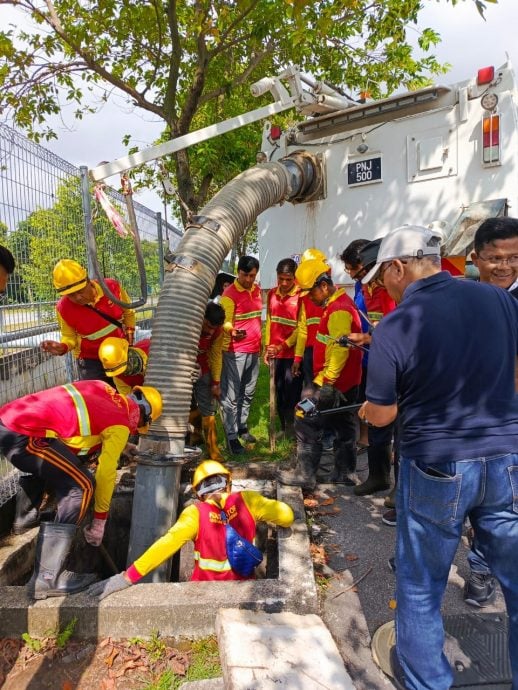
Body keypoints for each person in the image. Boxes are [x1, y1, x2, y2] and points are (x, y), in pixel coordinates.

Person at [358, 224, 518, 690]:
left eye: (381, 278)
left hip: (436, 465)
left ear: (396, 267)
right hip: (505, 458)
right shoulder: (501, 301)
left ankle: (428, 684)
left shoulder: (396, 324)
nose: (382, 288)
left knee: (421, 588)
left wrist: (372, 409)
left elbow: (384, 416)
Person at [0, 380, 163, 599]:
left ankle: (25, 518)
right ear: (142, 416)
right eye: (140, 426)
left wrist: (120, 446)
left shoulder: (102, 388)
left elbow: (80, 430)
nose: (134, 430)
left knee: (66, 467)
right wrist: (99, 521)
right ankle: (47, 579)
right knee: (82, 486)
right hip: (25, 436)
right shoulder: (122, 423)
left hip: (12, 419)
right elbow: (106, 474)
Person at [87, 460, 295, 597]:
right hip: (242, 588)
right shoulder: (248, 501)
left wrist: (126, 577)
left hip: (204, 590)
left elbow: (165, 545)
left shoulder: (195, 514)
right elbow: (286, 516)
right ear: (228, 484)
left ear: (198, 493)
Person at [460, 215, 518, 607]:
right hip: (462, 421)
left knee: (505, 506)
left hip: (509, 424)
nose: (505, 266)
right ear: (476, 258)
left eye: (514, 258)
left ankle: (482, 571)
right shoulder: (461, 301)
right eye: (495, 258)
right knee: (465, 499)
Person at [279, 259, 362, 490]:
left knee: (304, 416)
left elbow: (340, 349)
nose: (308, 297)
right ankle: (345, 473)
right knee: (344, 424)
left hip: (332, 383)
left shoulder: (338, 310)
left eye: (310, 292)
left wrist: (327, 383)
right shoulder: (339, 304)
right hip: (345, 382)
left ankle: (305, 476)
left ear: (324, 286)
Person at [345, 239, 398, 506]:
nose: (354, 276)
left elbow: (398, 333)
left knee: (400, 428)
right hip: (376, 362)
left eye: (355, 270)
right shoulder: (366, 289)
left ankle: (401, 489)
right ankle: (378, 476)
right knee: (377, 421)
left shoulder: (393, 289)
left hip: (397, 366)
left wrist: (366, 338)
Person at [41, 259, 136, 383]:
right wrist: (63, 347)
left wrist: (130, 341)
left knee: (127, 392)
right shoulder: (63, 308)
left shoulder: (111, 288)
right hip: (90, 362)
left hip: (119, 353)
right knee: (98, 398)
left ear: (88, 280)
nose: (78, 297)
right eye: (70, 295)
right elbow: (69, 336)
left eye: (80, 291)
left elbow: (129, 312)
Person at [219, 256, 262, 454]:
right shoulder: (229, 295)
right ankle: (231, 436)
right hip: (235, 351)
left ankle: (242, 427)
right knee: (232, 396)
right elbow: (225, 321)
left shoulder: (257, 290)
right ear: (238, 272)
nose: (248, 280)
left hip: (254, 350)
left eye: (252, 275)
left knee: (249, 392)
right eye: (245, 275)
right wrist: (232, 330)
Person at [264, 258, 302, 439]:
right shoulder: (271, 294)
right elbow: (270, 321)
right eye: (281, 279)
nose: (285, 283)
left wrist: (282, 346)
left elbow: (301, 329)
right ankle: (283, 428)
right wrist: (267, 347)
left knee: (292, 393)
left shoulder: (301, 296)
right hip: (275, 353)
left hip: (292, 354)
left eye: (289, 279)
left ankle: (294, 429)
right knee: (278, 392)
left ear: (295, 278)